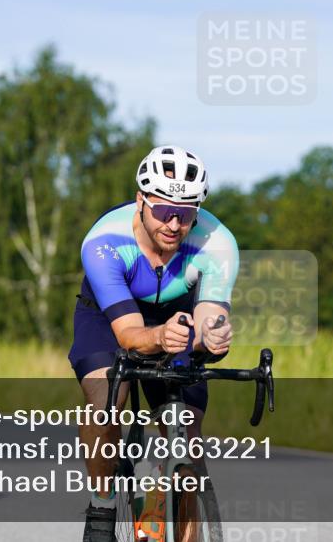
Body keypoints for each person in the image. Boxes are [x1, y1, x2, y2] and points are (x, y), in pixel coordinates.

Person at [70, 145, 238, 542]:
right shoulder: (104, 243)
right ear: (140, 200)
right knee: (106, 401)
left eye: (187, 211)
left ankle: (178, 519)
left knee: (186, 430)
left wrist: (212, 336)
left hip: (177, 313)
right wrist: (160, 336)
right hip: (110, 314)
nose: (175, 223)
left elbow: (210, 317)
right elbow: (130, 336)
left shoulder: (217, 243)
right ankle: (102, 506)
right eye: (163, 209)